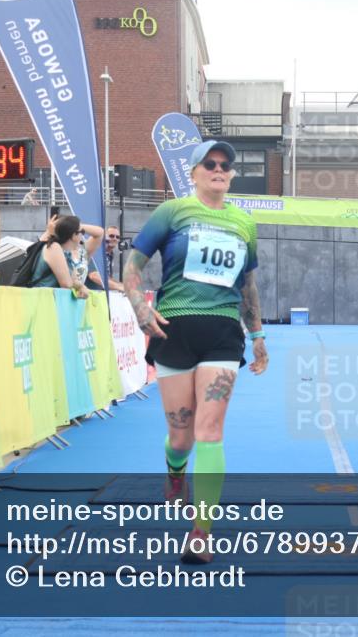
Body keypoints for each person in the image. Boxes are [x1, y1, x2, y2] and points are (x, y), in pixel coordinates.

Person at [124, 140, 268, 564]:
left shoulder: (245, 223)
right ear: (194, 172)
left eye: (226, 165)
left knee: (210, 430)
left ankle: (201, 532)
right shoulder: (172, 212)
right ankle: (174, 471)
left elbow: (248, 286)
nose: (219, 169)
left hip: (223, 333)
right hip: (174, 330)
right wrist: (139, 307)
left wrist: (258, 336)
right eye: (210, 164)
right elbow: (132, 268)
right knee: (181, 436)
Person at [29, 213, 104, 299]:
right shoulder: (53, 247)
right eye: (81, 232)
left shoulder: (82, 252)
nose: (83, 235)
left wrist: (73, 225)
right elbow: (66, 284)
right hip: (46, 301)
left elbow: (100, 233)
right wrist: (81, 287)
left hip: (68, 303)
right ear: (73, 235)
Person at [87, 225, 124, 291]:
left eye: (118, 237)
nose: (115, 239)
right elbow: (94, 276)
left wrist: (121, 285)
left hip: (100, 294)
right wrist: (118, 287)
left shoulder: (110, 254)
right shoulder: (96, 251)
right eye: (111, 236)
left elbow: (106, 277)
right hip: (89, 294)